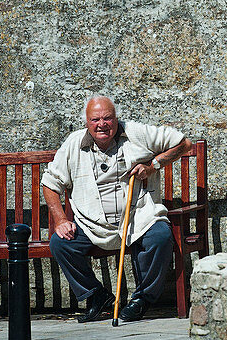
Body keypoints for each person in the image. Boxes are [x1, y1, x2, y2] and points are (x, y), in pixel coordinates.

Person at [40, 96, 193, 322]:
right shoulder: (73, 144)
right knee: (61, 243)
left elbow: (184, 143)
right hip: (91, 224)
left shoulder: (136, 133)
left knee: (160, 237)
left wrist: (153, 166)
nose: (102, 124)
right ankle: (96, 295)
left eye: (108, 118)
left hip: (137, 218)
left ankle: (142, 298)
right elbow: (50, 184)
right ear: (86, 122)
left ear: (116, 119)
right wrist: (61, 220)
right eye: (95, 119)